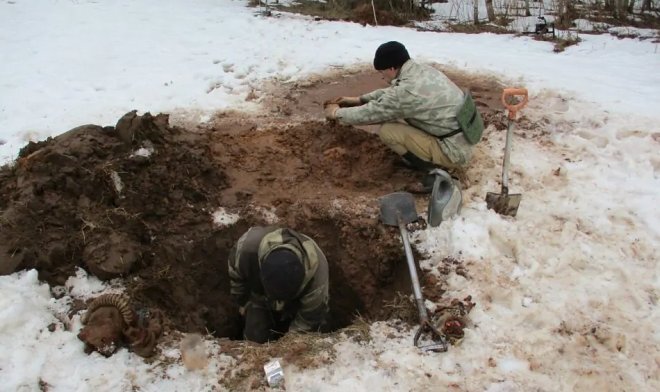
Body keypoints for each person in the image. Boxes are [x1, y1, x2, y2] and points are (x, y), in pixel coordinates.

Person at [324, 41, 483, 193]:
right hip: (463, 137)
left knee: (388, 131)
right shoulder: (422, 71)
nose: (382, 76)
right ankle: (429, 158)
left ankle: (437, 171)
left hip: (453, 151)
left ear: (392, 68)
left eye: (382, 72)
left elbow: (371, 113)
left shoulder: (406, 92)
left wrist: (336, 114)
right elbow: (394, 93)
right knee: (397, 116)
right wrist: (359, 99)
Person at [227, 226, 329, 343]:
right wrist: (242, 302)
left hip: (297, 302)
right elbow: (237, 278)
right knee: (254, 335)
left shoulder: (317, 278)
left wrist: (287, 346)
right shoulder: (247, 250)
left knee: (317, 330)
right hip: (261, 295)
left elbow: (307, 322)